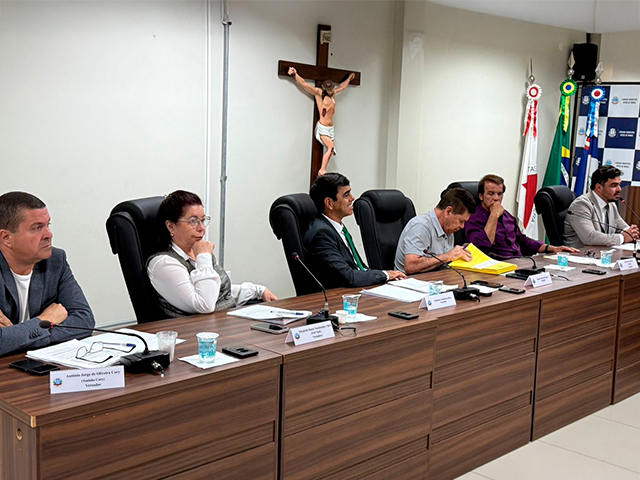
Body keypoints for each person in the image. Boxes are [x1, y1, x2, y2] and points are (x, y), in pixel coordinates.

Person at [147, 190, 277, 318]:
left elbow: (219, 292)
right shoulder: (163, 263)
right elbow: (205, 304)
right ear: (171, 226)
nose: (202, 228)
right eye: (193, 221)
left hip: (220, 323)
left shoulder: (197, 251)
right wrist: (204, 257)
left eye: (203, 220)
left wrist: (258, 290)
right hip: (193, 330)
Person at [0, 192, 95, 357]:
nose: (49, 235)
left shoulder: (55, 261)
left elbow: (84, 321)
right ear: (6, 237)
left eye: (47, 225)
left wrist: (16, 337)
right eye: (37, 228)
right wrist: (45, 321)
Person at [304, 173, 406, 289]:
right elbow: (348, 277)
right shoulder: (321, 234)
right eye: (346, 195)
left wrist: (388, 277)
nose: (352, 198)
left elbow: (359, 267)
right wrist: (385, 275)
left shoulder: (337, 228)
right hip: (340, 295)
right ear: (329, 203)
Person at [466, 174, 578, 257]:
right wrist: (493, 216)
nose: (496, 198)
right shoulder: (473, 218)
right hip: (498, 266)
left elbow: (522, 240)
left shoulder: (506, 216)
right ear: (481, 196)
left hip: (519, 262)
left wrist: (550, 248)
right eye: (491, 194)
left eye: (499, 194)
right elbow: (481, 248)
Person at [288, 67, 356, 176]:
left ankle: (323, 169)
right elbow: (304, 84)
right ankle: (322, 170)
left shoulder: (333, 93)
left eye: (331, 89)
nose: (331, 91)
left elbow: (342, 87)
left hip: (331, 128)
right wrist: (295, 74)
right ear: (324, 89)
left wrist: (349, 78)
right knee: (330, 148)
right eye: (329, 90)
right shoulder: (318, 93)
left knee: (330, 151)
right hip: (323, 128)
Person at [395, 188, 477, 274]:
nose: (462, 226)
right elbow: (411, 266)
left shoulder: (448, 227)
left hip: (437, 277)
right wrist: (448, 256)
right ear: (448, 212)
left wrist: (462, 252)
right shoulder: (420, 226)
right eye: (461, 221)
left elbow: (443, 262)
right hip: (410, 280)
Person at [564, 166, 640, 248]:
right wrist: (622, 238)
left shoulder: (611, 204)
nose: (619, 189)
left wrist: (631, 232)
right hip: (580, 253)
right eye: (614, 185)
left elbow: (622, 227)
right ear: (599, 188)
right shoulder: (581, 205)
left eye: (619, 185)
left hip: (602, 252)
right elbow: (590, 237)